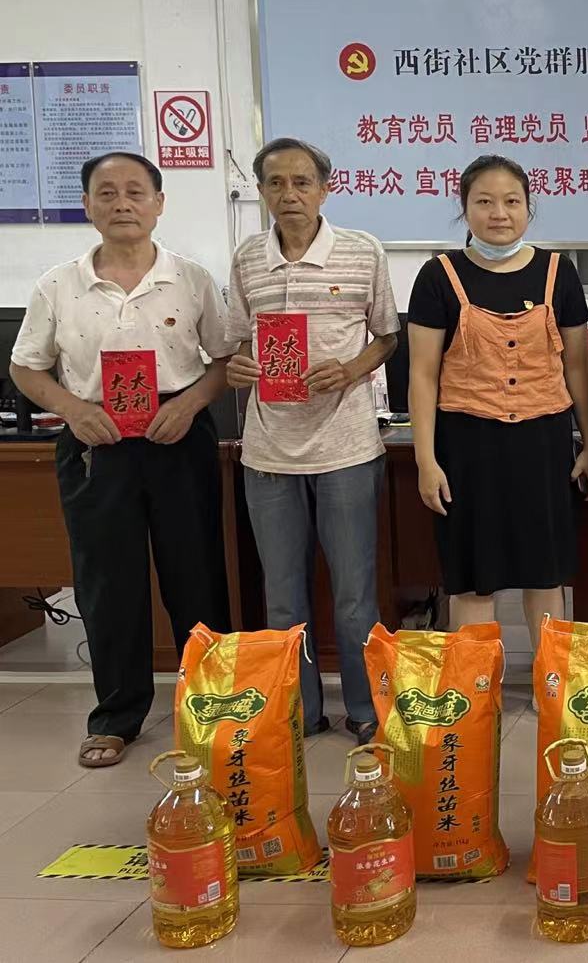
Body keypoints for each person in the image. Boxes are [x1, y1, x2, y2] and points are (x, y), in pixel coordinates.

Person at [9, 152, 234, 768]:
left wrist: (189, 405)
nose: (122, 203)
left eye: (136, 192)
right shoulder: (58, 284)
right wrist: (72, 411)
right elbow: (26, 367)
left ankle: (212, 708)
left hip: (175, 432)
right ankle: (115, 716)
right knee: (108, 582)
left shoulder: (191, 279)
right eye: (106, 193)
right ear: (87, 206)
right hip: (96, 438)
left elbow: (224, 361)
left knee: (196, 573)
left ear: (159, 203)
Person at [224, 138, 399, 744]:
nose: (289, 194)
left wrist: (351, 370)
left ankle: (365, 709)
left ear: (326, 188)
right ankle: (299, 711)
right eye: (275, 183)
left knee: (354, 595)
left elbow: (387, 337)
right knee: (282, 598)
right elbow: (235, 343)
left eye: (302, 182)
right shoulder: (247, 258)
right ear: (261, 191)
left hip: (346, 447)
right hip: (268, 451)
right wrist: (238, 366)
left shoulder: (362, 251)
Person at [407, 155, 588, 663]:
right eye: (485, 202)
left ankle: (549, 686)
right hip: (467, 446)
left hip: (544, 443)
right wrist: (426, 460)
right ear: (464, 208)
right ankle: (476, 689)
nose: (499, 213)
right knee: (474, 577)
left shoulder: (557, 273)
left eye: (512, 201)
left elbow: (578, 367)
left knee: (546, 574)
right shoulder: (438, 276)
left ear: (528, 209)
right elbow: (422, 375)